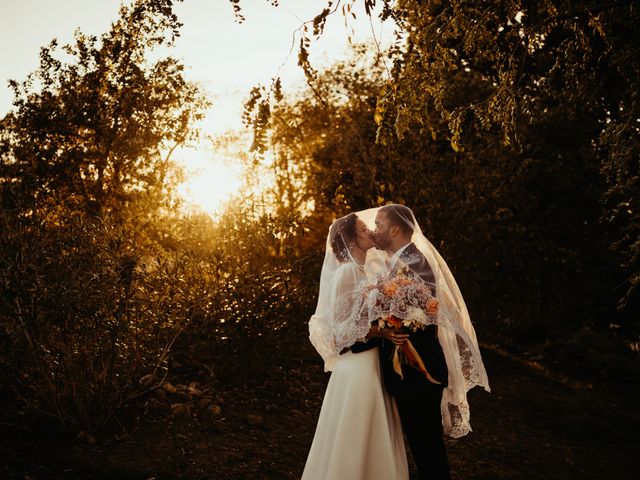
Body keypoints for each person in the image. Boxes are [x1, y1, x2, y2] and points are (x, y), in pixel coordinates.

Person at [366, 204, 491, 480]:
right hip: (412, 372)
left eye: (379, 224)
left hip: (418, 371)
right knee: (424, 447)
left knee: (428, 449)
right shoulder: (401, 260)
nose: (375, 230)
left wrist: (386, 325)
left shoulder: (412, 262)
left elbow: (423, 318)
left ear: (395, 228)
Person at [303, 212, 409, 480]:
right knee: (355, 434)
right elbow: (340, 332)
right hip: (358, 368)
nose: (371, 232)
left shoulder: (364, 271)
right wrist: (381, 331)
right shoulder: (347, 272)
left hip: (373, 363)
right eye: (364, 229)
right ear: (351, 237)